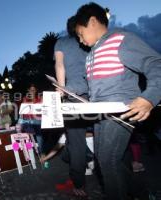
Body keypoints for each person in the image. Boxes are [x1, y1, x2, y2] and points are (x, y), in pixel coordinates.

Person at [73, 2, 161, 199]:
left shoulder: (120, 39)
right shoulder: (90, 56)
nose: (80, 40)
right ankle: (143, 193)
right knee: (107, 159)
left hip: (121, 110)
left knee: (108, 159)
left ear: (93, 21)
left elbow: (155, 64)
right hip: (101, 113)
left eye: (80, 34)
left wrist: (149, 97)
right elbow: (95, 88)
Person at [53, 16, 91, 196]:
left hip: (73, 95)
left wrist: (61, 90)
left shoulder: (61, 43)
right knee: (104, 138)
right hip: (95, 94)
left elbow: (60, 65)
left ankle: (79, 184)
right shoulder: (89, 41)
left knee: (76, 141)